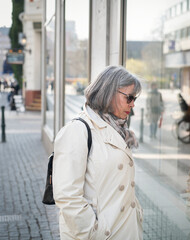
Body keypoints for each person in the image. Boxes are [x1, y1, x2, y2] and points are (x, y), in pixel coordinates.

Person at [53, 65, 143, 239]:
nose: (132, 104)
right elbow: (67, 196)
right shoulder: (77, 130)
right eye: (129, 98)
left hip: (125, 229)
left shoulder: (119, 129)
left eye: (135, 99)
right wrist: (94, 232)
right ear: (109, 93)